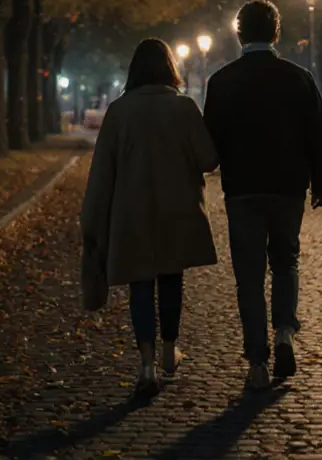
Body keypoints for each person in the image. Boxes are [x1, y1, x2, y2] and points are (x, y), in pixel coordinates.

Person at [80, 38, 221, 398]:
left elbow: (102, 174)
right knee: (171, 279)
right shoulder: (185, 109)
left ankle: (146, 364)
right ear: (169, 70)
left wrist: (93, 223)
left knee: (140, 286)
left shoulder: (119, 112)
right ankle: (170, 349)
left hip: (132, 214)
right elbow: (208, 159)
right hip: (177, 212)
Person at [204, 0, 322, 391]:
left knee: (248, 275)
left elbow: (211, 143)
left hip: (243, 188)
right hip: (288, 186)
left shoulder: (222, 81)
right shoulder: (298, 78)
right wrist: (321, 182)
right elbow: (319, 133)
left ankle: (257, 361)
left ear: (239, 33)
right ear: (276, 32)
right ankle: (284, 333)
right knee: (285, 260)